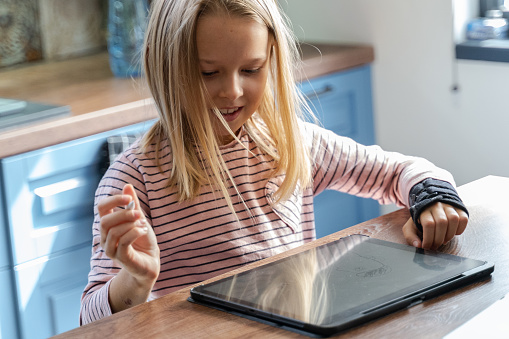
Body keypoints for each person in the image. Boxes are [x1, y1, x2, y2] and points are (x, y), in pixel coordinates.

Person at [80, 0, 469, 325]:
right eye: (208, 72)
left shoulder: (291, 143)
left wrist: (433, 196)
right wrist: (133, 280)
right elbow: (91, 324)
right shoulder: (134, 179)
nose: (232, 90)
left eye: (251, 69)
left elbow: (396, 171)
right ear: (163, 65)